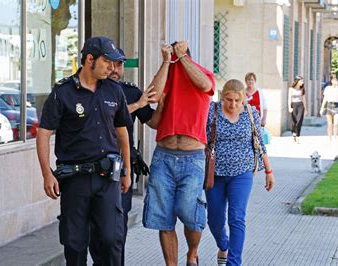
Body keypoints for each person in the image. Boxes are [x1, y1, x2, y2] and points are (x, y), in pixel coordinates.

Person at [36, 36, 132, 266]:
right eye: (107, 61)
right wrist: (46, 174)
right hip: (74, 179)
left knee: (111, 239)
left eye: (114, 63)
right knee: (74, 243)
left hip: (107, 177)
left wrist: (126, 169)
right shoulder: (63, 92)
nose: (112, 67)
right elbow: (44, 133)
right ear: (90, 59)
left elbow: (122, 133)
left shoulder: (114, 91)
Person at [88, 48, 164, 266]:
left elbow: (153, 122)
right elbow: (103, 119)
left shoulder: (130, 91)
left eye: (120, 65)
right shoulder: (90, 90)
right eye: (111, 63)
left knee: (117, 229)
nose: (115, 69)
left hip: (121, 170)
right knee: (93, 228)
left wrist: (163, 104)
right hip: (91, 168)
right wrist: (137, 105)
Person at [142, 41, 215, 266]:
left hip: (192, 158)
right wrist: (166, 61)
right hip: (163, 156)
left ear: (187, 56)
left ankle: (192, 253)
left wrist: (182, 58)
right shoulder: (167, 76)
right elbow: (152, 96)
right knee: (163, 217)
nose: (175, 59)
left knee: (189, 211)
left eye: (178, 56)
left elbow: (205, 86)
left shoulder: (203, 74)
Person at [206, 79, 275, 266]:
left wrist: (269, 171)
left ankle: (233, 262)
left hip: (242, 174)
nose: (233, 104)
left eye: (237, 100)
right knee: (214, 219)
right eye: (229, 100)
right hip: (215, 174)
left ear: (243, 98)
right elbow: (202, 141)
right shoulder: (211, 112)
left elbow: (260, 143)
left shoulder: (251, 113)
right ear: (222, 96)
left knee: (236, 217)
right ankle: (224, 245)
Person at [320, 74, 338, 141]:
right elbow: (325, 99)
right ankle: (330, 138)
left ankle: (335, 137)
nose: (335, 81)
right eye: (333, 80)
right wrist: (322, 108)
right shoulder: (327, 88)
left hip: (336, 105)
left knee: (336, 123)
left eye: (336, 80)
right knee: (330, 124)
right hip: (329, 105)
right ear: (331, 81)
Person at [287, 75, 307, 143]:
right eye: (301, 80)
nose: (302, 82)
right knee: (293, 122)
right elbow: (289, 98)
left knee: (299, 121)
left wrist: (305, 109)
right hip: (293, 105)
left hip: (300, 105)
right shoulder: (291, 89)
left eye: (302, 81)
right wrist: (289, 107)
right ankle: (294, 133)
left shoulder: (302, 89)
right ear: (297, 81)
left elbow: (303, 99)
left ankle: (298, 136)